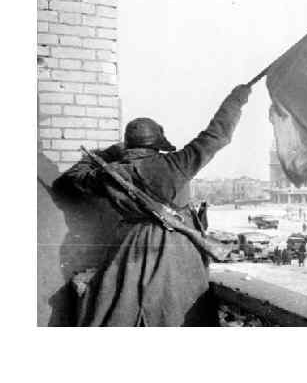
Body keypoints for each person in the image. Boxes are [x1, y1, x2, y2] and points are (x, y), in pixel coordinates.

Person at [53, 84, 252, 326]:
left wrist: (110, 153)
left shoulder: (111, 173)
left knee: (119, 310)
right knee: (180, 313)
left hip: (130, 247)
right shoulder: (177, 164)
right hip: (177, 248)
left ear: (129, 144)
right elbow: (217, 135)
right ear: (157, 142)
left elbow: (73, 177)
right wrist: (235, 100)